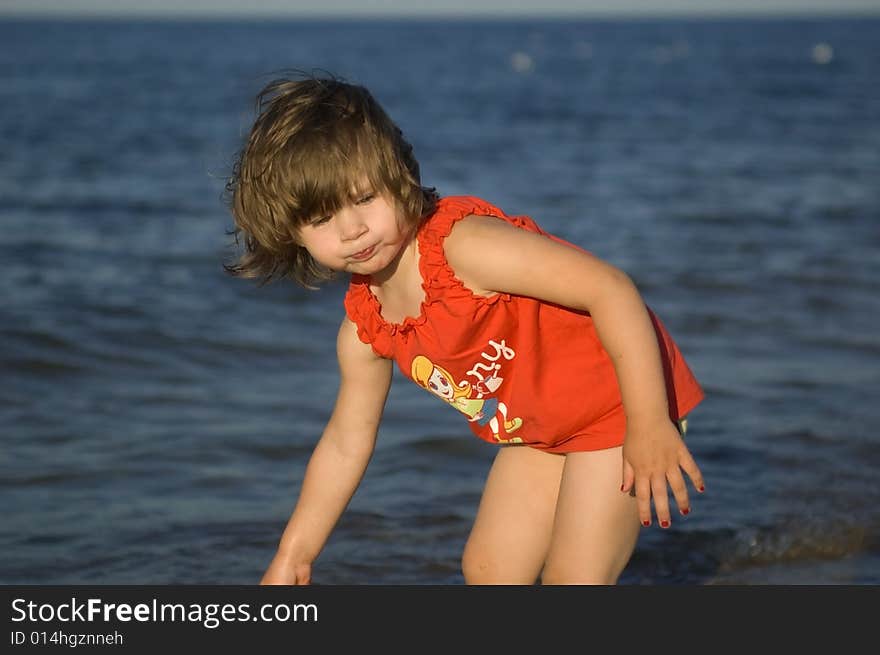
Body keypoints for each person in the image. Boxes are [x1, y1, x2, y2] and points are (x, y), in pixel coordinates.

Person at [224, 73, 706, 585]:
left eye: (363, 198)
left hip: (620, 402)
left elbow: (609, 288)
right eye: (322, 219)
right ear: (293, 233)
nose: (352, 229)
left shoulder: (464, 250)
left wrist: (649, 420)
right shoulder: (365, 332)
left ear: (397, 174)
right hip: (541, 429)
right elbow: (346, 441)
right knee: (488, 571)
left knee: (575, 578)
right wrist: (294, 553)